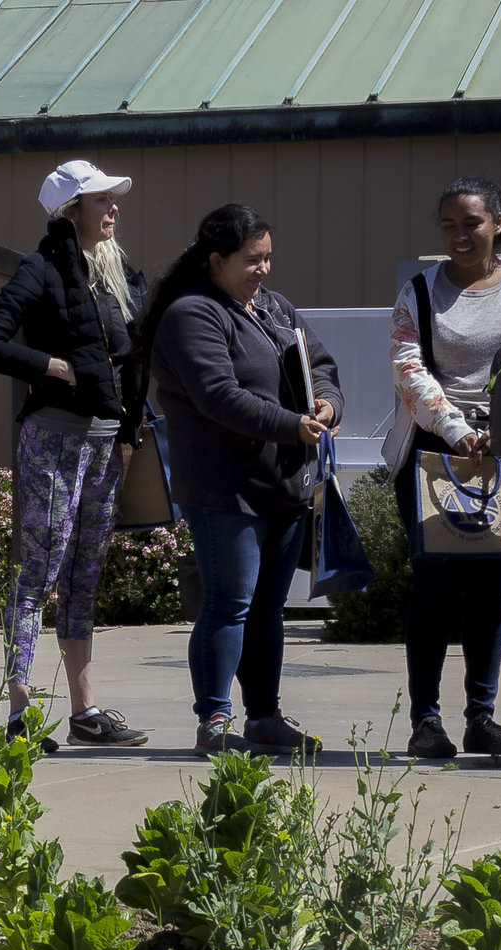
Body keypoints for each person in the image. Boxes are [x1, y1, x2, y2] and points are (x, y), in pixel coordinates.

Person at [136, 202, 339, 757]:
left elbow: (319, 360)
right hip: (225, 489)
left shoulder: (273, 308)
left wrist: (327, 403)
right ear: (216, 259)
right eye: (252, 260)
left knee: (268, 609)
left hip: (284, 486)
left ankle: (265, 717)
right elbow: (219, 396)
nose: (264, 270)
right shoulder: (193, 314)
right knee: (230, 602)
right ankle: (214, 721)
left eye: (269, 258)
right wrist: (292, 425)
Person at [0, 159, 151, 752]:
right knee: (38, 574)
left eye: (110, 198)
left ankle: (85, 710)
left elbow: (135, 352)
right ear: (71, 211)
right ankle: (20, 711)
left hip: (106, 441)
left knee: (84, 577)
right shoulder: (42, 268)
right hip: (54, 437)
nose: (112, 207)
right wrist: (51, 366)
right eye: (100, 200)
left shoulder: (119, 272)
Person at [386, 177, 501, 763]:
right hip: (434, 454)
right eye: (448, 225)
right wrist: (459, 430)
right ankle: (426, 720)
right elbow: (408, 369)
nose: (459, 235)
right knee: (433, 584)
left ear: (497, 223)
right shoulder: (419, 292)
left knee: (491, 589)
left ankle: (483, 717)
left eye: (471, 223)